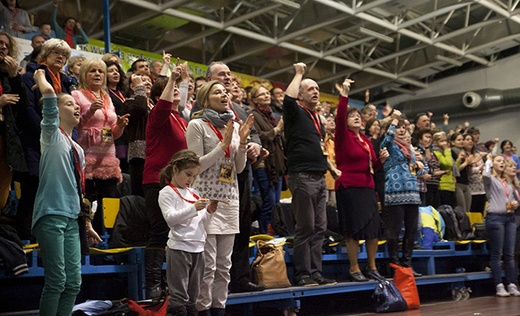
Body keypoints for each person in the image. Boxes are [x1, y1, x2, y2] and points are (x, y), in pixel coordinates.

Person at [30, 68, 101, 316]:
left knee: (73, 284)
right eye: (69, 103)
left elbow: (78, 190)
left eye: (75, 103)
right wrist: (40, 76)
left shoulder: (77, 149)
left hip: (73, 219)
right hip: (51, 215)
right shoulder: (51, 134)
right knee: (57, 281)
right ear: (56, 111)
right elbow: (49, 94)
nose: (76, 107)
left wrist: (87, 223)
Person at [186, 80, 253, 315]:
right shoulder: (197, 125)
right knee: (208, 265)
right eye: (218, 92)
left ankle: (219, 308)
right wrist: (222, 144)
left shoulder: (233, 126)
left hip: (229, 199)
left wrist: (242, 142)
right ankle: (203, 308)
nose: (224, 95)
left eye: (225, 92)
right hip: (205, 200)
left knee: (224, 266)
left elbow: (240, 167)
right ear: (205, 99)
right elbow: (195, 166)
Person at [283, 62, 337, 286]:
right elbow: (287, 99)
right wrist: (298, 73)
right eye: (310, 89)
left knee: (319, 228)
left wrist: (331, 168)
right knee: (305, 227)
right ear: (300, 95)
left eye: (317, 88)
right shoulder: (294, 112)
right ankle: (303, 273)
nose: (316, 91)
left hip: (319, 176)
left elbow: (320, 148)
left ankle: (316, 272)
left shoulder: (316, 119)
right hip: (302, 176)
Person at [19, 38, 73, 241]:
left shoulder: (67, 82)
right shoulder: (31, 77)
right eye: (55, 53)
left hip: (60, 146)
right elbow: (27, 110)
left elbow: (71, 116)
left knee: (54, 195)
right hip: (36, 144)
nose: (60, 57)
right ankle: (25, 240)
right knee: (32, 193)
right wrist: (46, 131)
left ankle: (48, 240)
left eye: (64, 55)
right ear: (45, 55)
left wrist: (66, 138)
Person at [334, 79, 388, 282]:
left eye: (358, 116)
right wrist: (345, 95)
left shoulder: (366, 141)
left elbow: (373, 165)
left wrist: (381, 160)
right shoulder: (343, 136)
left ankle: (372, 266)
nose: (356, 118)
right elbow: (340, 117)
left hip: (367, 187)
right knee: (353, 229)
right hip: (349, 186)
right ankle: (354, 268)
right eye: (352, 116)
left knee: (373, 229)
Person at [141, 63, 187, 299]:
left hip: (178, 184)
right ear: (159, 97)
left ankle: (169, 283)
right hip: (157, 181)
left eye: (178, 86)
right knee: (160, 231)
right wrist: (172, 78)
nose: (176, 89)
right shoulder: (158, 115)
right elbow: (165, 104)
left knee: (175, 234)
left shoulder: (181, 119)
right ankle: (152, 286)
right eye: (172, 87)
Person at [72, 58, 129, 234]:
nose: (97, 74)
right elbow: (74, 125)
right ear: (83, 74)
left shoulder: (107, 98)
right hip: (86, 155)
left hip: (107, 157)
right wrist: (89, 112)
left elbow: (113, 133)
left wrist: (119, 125)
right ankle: (87, 237)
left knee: (110, 199)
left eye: (100, 71)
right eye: (92, 71)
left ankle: (109, 239)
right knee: (87, 199)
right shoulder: (76, 95)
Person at [158, 150, 217, 316]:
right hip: (179, 247)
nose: (190, 180)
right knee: (179, 297)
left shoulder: (194, 193)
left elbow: (202, 222)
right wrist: (193, 208)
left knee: (193, 297)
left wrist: (210, 212)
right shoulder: (166, 192)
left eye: (194, 176)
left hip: (198, 247)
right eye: (188, 174)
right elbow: (170, 219)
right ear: (175, 169)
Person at [380, 110, 424, 277]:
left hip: (413, 193)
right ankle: (394, 264)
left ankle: (407, 264)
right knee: (394, 230)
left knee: (411, 230)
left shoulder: (410, 148)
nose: (402, 129)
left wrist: (421, 166)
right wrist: (394, 120)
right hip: (395, 193)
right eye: (398, 127)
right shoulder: (388, 145)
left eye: (404, 127)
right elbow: (387, 138)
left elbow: (420, 171)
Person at [482, 154, 520, 297]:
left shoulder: (507, 182)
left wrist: (515, 204)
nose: (502, 163)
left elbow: (514, 199)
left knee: (509, 254)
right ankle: (498, 284)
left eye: (503, 161)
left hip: (509, 218)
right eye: (499, 161)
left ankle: (511, 283)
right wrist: (489, 161)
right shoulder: (490, 180)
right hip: (495, 218)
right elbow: (485, 173)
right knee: (497, 253)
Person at [250, 84, 286, 234]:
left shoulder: (272, 116)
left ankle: (274, 232)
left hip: (276, 163)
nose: (266, 96)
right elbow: (259, 136)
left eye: (267, 93)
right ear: (254, 100)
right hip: (263, 163)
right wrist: (276, 130)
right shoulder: (253, 115)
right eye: (262, 94)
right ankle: (263, 234)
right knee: (269, 202)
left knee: (276, 203)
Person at [0, 30, 27, 214]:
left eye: (6, 45)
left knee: (2, 189)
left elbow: (22, 106)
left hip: (5, 140)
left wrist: (14, 77)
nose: (3, 47)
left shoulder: (8, 74)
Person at [124, 72, 154, 196]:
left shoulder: (153, 105)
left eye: (148, 81)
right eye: (142, 80)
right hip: (139, 155)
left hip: (154, 152)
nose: (146, 82)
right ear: (133, 86)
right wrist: (139, 88)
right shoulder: (129, 103)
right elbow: (140, 109)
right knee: (140, 194)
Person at [105, 60, 129, 174]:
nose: (115, 73)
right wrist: (106, 141)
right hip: (111, 135)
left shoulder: (123, 92)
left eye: (117, 71)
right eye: (111, 71)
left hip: (126, 134)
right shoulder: (104, 93)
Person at [432, 131, 456, 208]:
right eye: (442, 141)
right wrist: (447, 150)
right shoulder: (436, 152)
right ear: (435, 143)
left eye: (445, 141)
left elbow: (452, 166)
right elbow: (447, 163)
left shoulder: (445, 153)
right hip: (443, 185)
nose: (445, 143)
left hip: (451, 185)